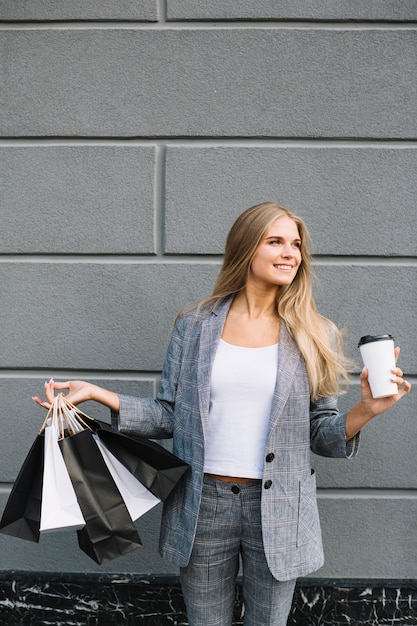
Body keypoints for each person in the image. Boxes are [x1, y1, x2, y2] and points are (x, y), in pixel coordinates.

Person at [33, 202, 411, 626]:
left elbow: (322, 435)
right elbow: (168, 417)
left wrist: (366, 409)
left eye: (296, 245)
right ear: (246, 248)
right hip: (203, 502)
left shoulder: (313, 332)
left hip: (279, 504)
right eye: (276, 242)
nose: (291, 253)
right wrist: (100, 394)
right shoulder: (195, 324)